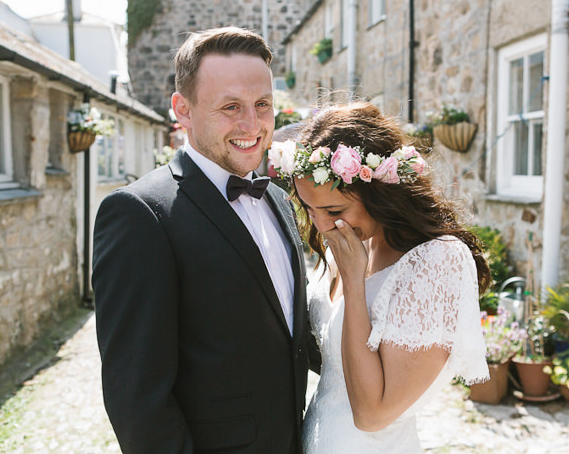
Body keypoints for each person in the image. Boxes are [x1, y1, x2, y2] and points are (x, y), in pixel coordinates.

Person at [92, 26, 312, 454]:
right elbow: (137, 400)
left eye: (262, 104)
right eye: (231, 106)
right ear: (183, 110)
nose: (252, 124)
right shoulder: (139, 214)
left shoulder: (281, 201)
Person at [268, 102, 492, 454]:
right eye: (310, 209)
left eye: (334, 210)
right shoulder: (348, 242)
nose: (323, 226)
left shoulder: (435, 261)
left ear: (379, 190)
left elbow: (373, 414)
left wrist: (355, 287)